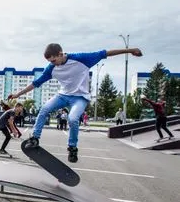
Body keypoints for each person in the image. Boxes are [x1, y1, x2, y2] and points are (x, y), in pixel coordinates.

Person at [9, 43, 143, 162]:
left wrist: (131, 50)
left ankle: (72, 148)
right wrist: (17, 94)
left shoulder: (81, 59)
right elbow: (35, 83)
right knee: (44, 109)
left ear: (61, 54)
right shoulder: (50, 68)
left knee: (73, 119)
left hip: (80, 98)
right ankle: (35, 138)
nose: (53, 63)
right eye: (51, 61)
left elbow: (105, 53)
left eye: (54, 60)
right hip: (62, 96)